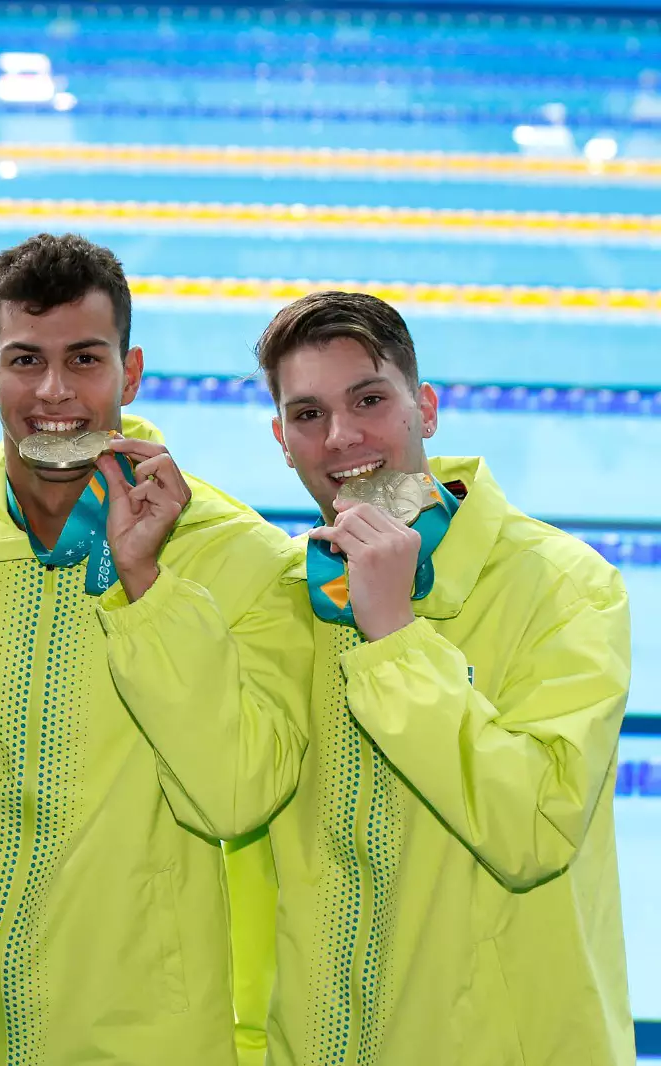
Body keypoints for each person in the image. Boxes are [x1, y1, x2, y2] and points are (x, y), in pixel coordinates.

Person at [0, 233, 310, 1065]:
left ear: (131, 371)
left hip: (139, 1046)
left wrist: (146, 587)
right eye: (24, 360)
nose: (53, 392)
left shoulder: (238, 558)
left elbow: (236, 798)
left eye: (84, 359)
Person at [247, 290, 632, 1065]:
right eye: (309, 414)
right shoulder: (289, 596)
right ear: (282, 440)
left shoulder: (564, 587)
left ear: (425, 407)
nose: (343, 436)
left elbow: (533, 831)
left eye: (369, 400)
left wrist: (395, 636)